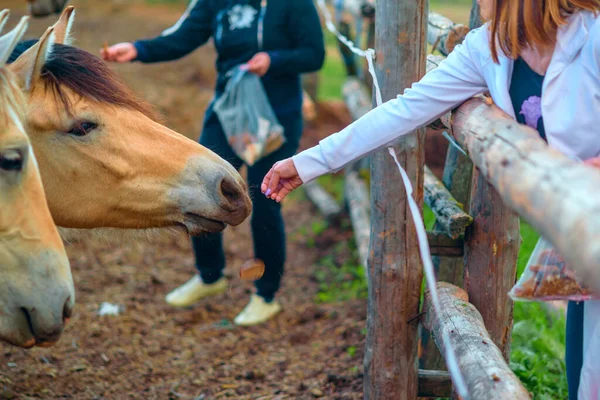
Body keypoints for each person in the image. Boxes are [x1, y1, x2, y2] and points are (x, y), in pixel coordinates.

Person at [261, 0, 599, 397]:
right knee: (585, 380)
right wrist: (308, 163)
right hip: (581, 241)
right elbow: (402, 111)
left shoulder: (591, 37)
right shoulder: (488, 48)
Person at [102, 0, 325, 326]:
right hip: (228, 113)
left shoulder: (294, 4)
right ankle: (209, 276)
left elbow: (314, 54)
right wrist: (136, 50)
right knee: (203, 189)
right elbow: (181, 38)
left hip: (276, 119)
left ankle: (266, 294)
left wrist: (274, 60)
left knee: (264, 201)